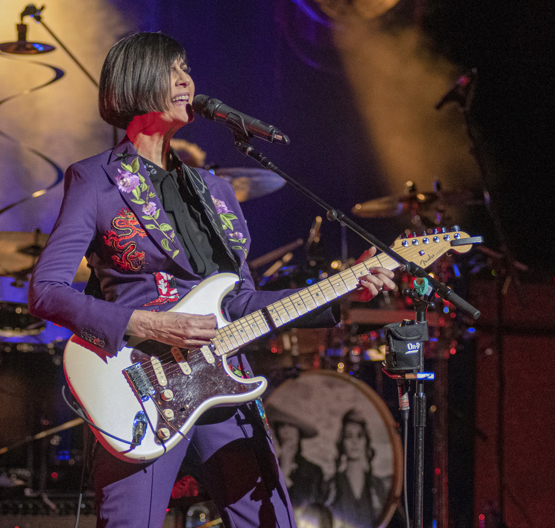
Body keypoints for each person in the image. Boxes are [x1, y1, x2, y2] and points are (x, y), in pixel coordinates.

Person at [28, 31, 396, 528]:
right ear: (136, 81)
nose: (187, 80)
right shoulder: (95, 179)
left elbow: (241, 301)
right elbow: (46, 291)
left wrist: (344, 288)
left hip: (223, 376)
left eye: (187, 68)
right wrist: (147, 324)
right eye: (172, 70)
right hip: (143, 383)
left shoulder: (215, 192)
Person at [325, 410, 389, 528]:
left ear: (366, 442)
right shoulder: (331, 486)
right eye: (348, 436)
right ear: (342, 442)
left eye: (359, 436)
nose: (354, 442)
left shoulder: (377, 486)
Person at [266, 404, 325, 509]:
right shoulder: (267, 468)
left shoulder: (313, 471)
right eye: (282, 426)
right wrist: (284, 469)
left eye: (290, 426)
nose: (286, 431)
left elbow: (307, 505)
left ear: (299, 431)